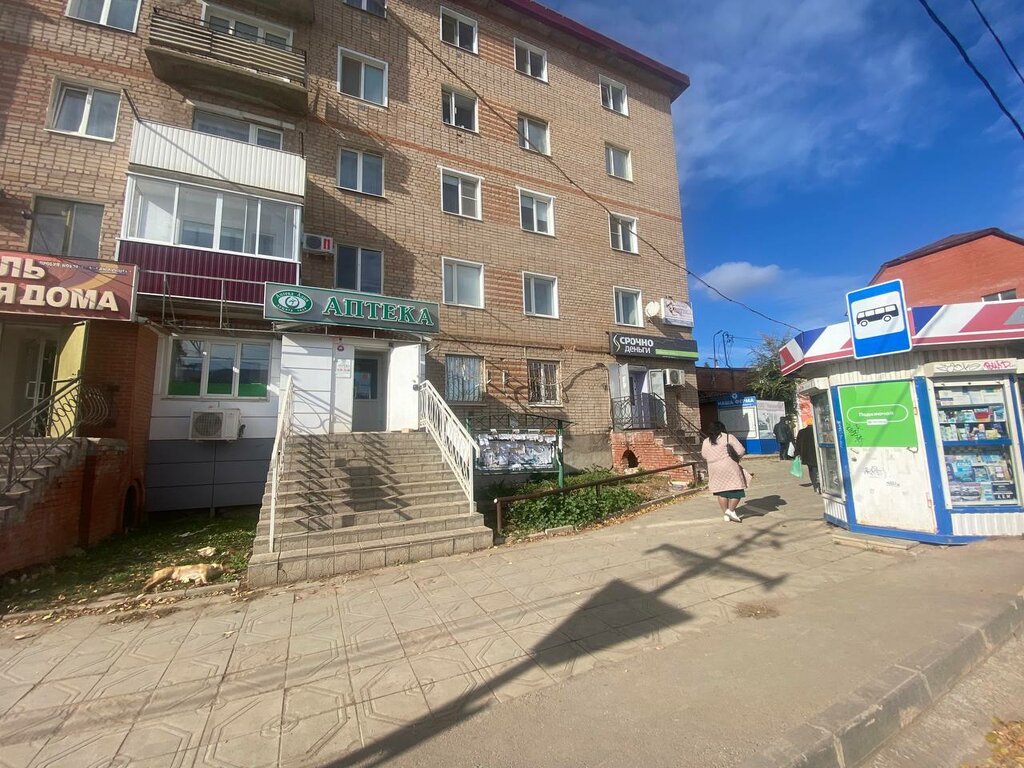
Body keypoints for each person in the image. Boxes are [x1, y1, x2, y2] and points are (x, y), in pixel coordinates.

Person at [701, 420, 747, 523]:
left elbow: (704, 455)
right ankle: (730, 511)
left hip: (714, 469)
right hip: (729, 467)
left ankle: (726, 514)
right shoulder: (728, 437)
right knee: (737, 491)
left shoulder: (706, 441)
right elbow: (741, 450)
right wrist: (736, 457)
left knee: (721, 492)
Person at [795, 423, 820, 493]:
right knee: (818, 469)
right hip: (817, 453)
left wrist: (797, 453)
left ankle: (815, 485)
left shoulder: (801, 432)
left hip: (806, 455)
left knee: (811, 470)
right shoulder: (817, 431)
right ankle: (819, 485)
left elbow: (798, 444)